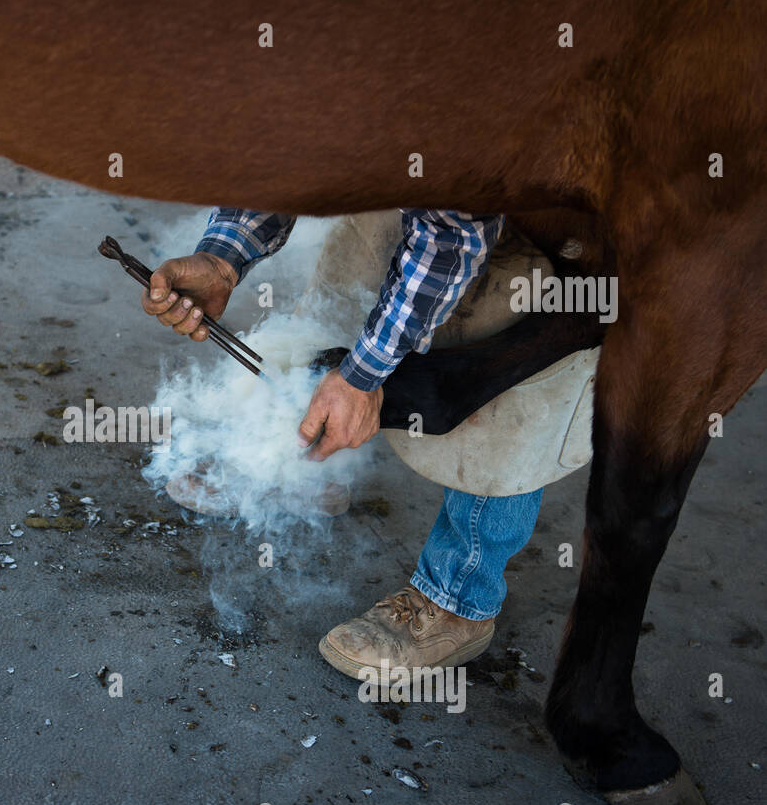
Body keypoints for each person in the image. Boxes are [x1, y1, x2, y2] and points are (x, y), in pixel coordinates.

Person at [141, 208, 542, 678]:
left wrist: (362, 377)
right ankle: (304, 464)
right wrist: (224, 258)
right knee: (358, 247)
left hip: (534, 216)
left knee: (509, 365)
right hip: (422, 198)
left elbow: (452, 238)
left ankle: (460, 594)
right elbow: (284, 147)